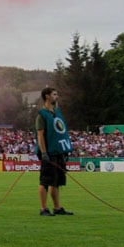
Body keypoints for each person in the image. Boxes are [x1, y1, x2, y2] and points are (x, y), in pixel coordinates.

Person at [35, 87, 74, 216]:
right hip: (49, 153)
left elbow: (61, 133)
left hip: (58, 152)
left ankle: (57, 208)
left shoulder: (57, 112)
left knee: (56, 181)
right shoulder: (42, 115)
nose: (57, 96)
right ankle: (43, 208)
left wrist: (65, 150)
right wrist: (44, 153)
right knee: (45, 181)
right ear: (47, 96)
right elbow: (40, 135)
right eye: (54, 94)